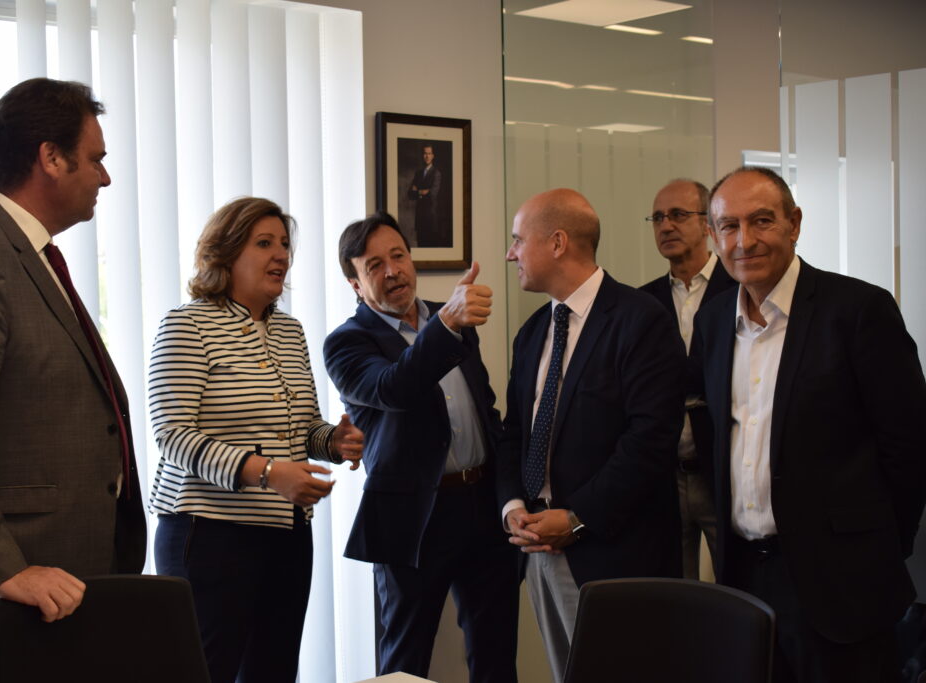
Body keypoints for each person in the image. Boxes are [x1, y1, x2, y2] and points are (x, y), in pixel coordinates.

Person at [0, 78, 147, 665]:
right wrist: (3, 569)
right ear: (51, 158)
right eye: (96, 159)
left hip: (72, 572)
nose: (105, 178)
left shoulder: (23, 253)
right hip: (27, 582)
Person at [692, 167, 926, 683]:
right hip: (745, 576)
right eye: (729, 226)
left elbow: (909, 445)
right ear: (712, 235)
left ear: (794, 224)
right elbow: (713, 437)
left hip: (842, 582)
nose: (744, 241)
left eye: (762, 221)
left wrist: (881, 547)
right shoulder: (712, 323)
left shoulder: (858, 310)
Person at [149, 196, 364, 683]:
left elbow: (302, 429)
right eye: (264, 243)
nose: (281, 254)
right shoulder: (187, 324)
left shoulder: (290, 332)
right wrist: (267, 473)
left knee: (274, 673)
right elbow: (172, 435)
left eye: (284, 244)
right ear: (225, 254)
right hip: (209, 536)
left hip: (288, 535)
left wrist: (335, 441)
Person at [324, 212, 519, 682]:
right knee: (405, 661)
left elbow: (484, 408)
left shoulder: (451, 319)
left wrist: (510, 495)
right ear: (355, 284)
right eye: (374, 265)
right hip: (412, 518)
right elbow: (394, 387)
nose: (393, 271)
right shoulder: (346, 343)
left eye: (399, 256)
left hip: (483, 505)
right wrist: (447, 324)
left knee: (495, 655)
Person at [500, 188, 685, 681]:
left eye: (518, 240)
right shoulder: (533, 331)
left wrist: (577, 518)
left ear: (557, 242)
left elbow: (650, 440)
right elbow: (514, 433)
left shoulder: (642, 319)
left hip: (615, 553)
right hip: (538, 548)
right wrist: (512, 506)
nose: (511, 254)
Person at [639, 178, 735, 579]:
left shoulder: (739, 288)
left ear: (708, 223)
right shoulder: (642, 301)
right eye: (658, 217)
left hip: (723, 468)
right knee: (672, 593)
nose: (666, 225)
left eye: (678, 214)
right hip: (663, 473)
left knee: (738, 585)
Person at [407, 144, 444, 247]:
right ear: (422, 155)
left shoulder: (436, 173)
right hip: (420, 218)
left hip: (430, 218)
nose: (427, 156)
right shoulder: (418, 173)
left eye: (429, 153)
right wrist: (422, 192)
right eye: (425, 153)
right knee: (421, 246)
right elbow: (410, 194)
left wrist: (417, 191)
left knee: (430, 247)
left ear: (433, 156)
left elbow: (432, 194)